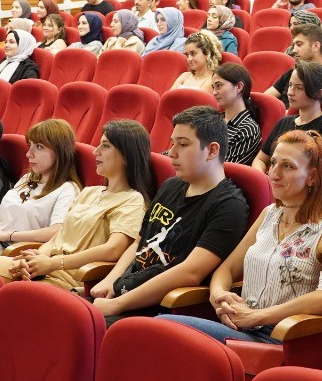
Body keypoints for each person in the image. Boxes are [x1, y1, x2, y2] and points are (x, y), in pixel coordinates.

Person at [163, 129, 322, 345]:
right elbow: (227, 269)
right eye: (273, 163)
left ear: (312, 177)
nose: (274, 174)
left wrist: (258, 316)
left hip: (281, 337)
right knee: (158, 330)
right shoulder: (268, 215)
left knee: (163, 329)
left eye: (287, 166)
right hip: (239, 326)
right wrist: (219, 297)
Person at [90, 108, 249, 322]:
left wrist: (117, 305)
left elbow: (191, 272)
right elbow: (140, 241)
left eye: (182, 144)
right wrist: (110, 281)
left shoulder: (230, 205)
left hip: (159, 309)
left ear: (211, 151)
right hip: (125, 291)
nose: (171, 152)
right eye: (172, 143)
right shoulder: (171, 185)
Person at [0, 120, 154, 289]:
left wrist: (54, 263)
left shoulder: (133, 200)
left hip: (69, 279)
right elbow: (58, 237)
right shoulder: (90, 192)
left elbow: (114, 249)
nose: (96, 152)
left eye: (105, 146)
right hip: (45, 270)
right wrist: (36, 259)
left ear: (127, 155)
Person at [0, 118, 84, 257]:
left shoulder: (67, 189)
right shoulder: (28, 178)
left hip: (16, 251)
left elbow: (57, 230)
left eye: (39, 147)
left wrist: (8, 235)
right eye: (30, 145)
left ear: (59, 152)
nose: (29, 154)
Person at [255, 63, 322, 172]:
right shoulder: (284, 122)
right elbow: (260, 160)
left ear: (319, 93)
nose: (290, 92)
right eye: (290, 85)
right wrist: (264, 179)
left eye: (299, 88)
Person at [209, 64, 262, 166]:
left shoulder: (248, 129)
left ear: (239, 87)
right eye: (213, 87)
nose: (214, 93)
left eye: (219, 86)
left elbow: (224, 169)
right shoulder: (212, 120)